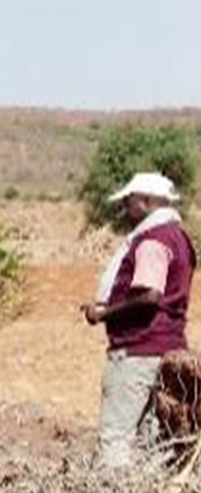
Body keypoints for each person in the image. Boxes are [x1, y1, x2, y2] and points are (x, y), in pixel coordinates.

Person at [81, 171, 195, 470]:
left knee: (116, 438)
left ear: (146, 201)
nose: (125, 208)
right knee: (148, 440)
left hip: (138, 351)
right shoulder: (179, 236)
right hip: (167, 346)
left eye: (129, 201)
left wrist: (103, 312)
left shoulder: (153, 239)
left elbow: (150, 296)